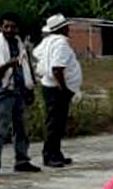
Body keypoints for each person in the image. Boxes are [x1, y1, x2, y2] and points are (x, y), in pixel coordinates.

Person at [0, 13, 39, 176]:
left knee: (21, 129)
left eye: (12, 27)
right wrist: (7, 64)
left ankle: (22, 160)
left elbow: (27, 68)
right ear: (0, 28)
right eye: (6, 26)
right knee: (0, 131)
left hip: (19, 92)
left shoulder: (21, 46)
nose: (9, 30)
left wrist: (29, 89)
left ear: (17, 28)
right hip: (3, 93)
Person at [34, 13, 82, 168]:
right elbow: (57, 69)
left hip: (49, 86)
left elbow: (36, 54)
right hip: (57, 88)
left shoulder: (47, 41)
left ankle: (56, 152)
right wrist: (64, 88)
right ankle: (50, 156)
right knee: (55, 123)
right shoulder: (60, 43)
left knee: (56, 123)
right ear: (63, 28)